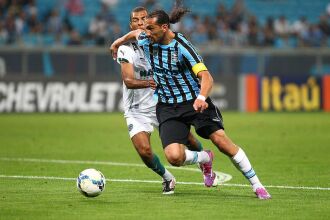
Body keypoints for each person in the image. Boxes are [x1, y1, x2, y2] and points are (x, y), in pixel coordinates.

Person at [110, 2, 271, 199]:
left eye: (150, 28)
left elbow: (206, 77)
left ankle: (257, 184)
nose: (145, 31)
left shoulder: (183, 47)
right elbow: (133, 35)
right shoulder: (146, 38)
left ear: (164, 28)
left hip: (193, 101)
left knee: (222, 142)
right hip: (167, 106)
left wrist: (202, 97)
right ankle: (204, 157)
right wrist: (118, 41)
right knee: (174, 157)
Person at [115, 6, 214, 194]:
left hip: (161, 104)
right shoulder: (126, 50)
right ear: (131, 25)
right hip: (136, 109)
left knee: (189, 140)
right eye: (136, 20)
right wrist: (149, 82)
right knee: (144, 151)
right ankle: (167, 178)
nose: (141, 23)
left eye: (144, 19)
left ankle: (204, 160)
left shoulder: (157, 42)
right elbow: (128, 81)